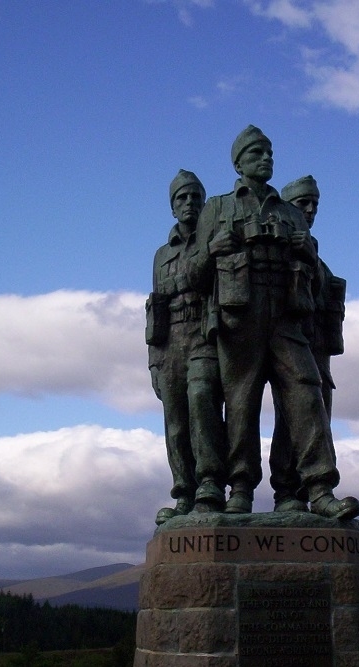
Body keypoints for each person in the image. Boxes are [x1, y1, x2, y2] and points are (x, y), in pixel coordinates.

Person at [190, 126, 359, 520]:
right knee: (241, 404)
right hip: (240, 316)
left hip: (286, 318)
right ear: (238, 162)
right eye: (255, 153)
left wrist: (309, 254)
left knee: (306, 392)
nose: (265, 158)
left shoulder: (289, 213)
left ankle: (317, 488)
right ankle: (240, 489)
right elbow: (196, 277)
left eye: (269, 153)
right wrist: (213, 251)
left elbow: (317, 285)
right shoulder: (216, 208)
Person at [146, 170, 227, 525]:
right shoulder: (161, 254)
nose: (189, 203)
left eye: (195, 196)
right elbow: (155, 306)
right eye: (182, 197)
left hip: (204, 336)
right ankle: (184, 492)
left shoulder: (215, 238)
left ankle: (211, 483)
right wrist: (153, 362)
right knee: (176, 422)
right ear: (172, 206)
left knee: (202, 400)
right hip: (169, 344)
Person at [268, 175, 346, 512]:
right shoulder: (277, 249)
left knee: (305, 418)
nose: (311, 209)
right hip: (282, 339)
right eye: (303, 203)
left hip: (316, 351)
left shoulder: (316, 257)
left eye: (315, 203)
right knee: (297, 408)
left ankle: (295, 494)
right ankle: (289, 489)